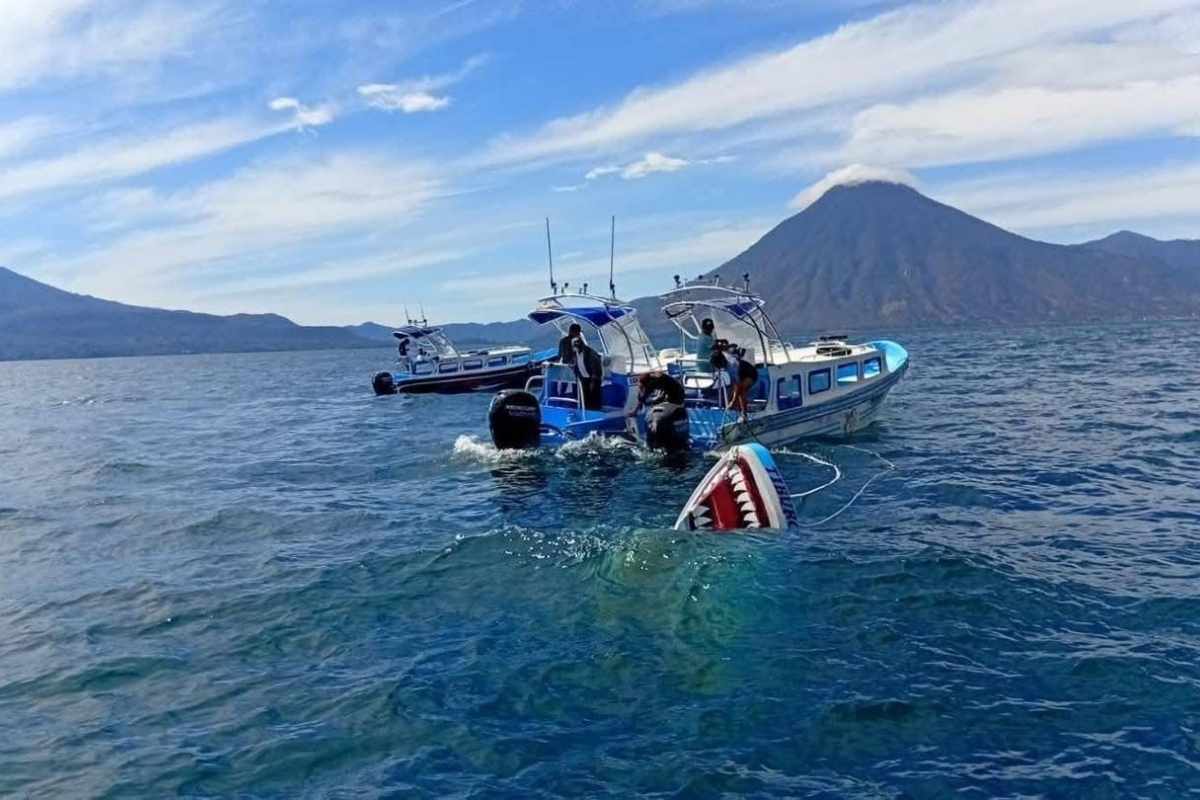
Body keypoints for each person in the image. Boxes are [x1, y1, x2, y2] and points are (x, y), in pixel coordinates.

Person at [570, 336, 604, 410]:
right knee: (585, 399)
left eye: (576, 344)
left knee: (594, 399)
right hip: (584, 378)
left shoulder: (590, 352)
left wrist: (593, 381)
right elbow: (576, 365)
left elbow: (596, 367)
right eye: (573, 344)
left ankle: (596, 413)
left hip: (593, 378)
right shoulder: (576, 354)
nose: (575, 346)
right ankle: (587, 412)